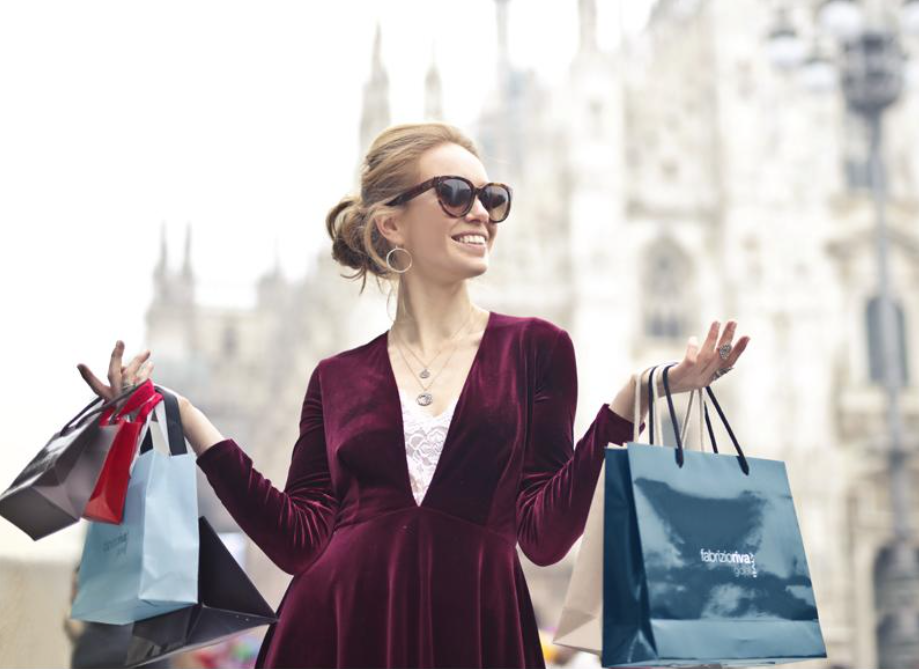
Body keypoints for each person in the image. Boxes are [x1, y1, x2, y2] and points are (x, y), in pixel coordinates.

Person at [77, 122, 750, 668]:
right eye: (456, 193)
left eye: (494, 198)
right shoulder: (336, 378)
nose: (481, 213)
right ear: (391, 225)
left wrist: (632, 398)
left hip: (479, 631)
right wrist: (189, 417)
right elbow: (299, 543)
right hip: (333, 632)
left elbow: (544, 537)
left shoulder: (537, 350)